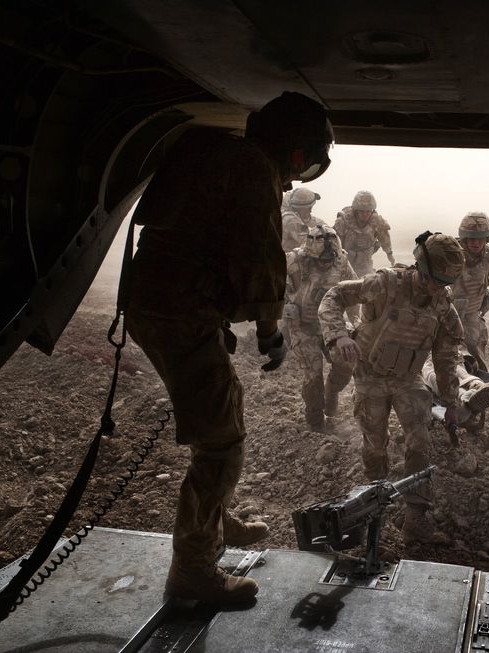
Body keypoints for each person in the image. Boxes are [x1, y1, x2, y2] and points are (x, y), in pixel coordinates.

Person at [125, 91, 334, 603]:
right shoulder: (254, 171)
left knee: (227, 405)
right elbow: (260, 259)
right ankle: (193, 572)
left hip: (165, 306)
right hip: (181, 315)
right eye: (301, 168)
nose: (294, 179)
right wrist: (270, 330)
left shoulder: (216, 153)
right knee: (221, 445)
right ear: (297, 154)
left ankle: (215, 521)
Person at [318, 231, 465, 544]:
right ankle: (376, 500)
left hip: (407, 380)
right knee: (375, 445)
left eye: (444, 283)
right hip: (370, 376)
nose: (437, 288)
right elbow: (334, 297)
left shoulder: (443, 308)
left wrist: (451, 403)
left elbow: (446, 359)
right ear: (420, 268)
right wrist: (339, 335)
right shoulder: (386, 283)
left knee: (421, 440)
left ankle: (416, 515)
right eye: (432, 279)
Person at [283, 225, 357, 430]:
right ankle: (315, 421)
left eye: (330, 260)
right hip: (303, 327)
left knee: (346, 363)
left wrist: (356, 320)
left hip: (331, 325)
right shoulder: (295, 260)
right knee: (313, 374)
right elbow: (272, 281)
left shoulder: (341, 261)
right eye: (322, 260)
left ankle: (331, 392)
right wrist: (286, 301)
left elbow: (354, 291)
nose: (327, 263)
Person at [451, 212, 489, 371]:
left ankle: (479, 386)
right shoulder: (451, 253)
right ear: (464, 238)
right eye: (471, 239)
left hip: (471, 313)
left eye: (480, 239)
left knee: (474, 351)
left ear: (487, 239)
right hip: (446, 311)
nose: (476, 243)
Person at [421, 357, 489, 429]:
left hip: (428, 358)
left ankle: (463, 396)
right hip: (455, 357)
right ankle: (477, 385)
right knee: (460, 371)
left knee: (433, 375)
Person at [333, 190, 395, 276]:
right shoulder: (343, 221)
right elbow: (334, 244)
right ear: (356, 210)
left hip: (365, 264)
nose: (365, 214)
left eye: (368, 211)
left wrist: (389, 254)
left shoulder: (376, 221)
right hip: (344, 265)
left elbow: (384, 238)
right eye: (362, 211)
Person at [281, 187, 326, 251]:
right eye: (308, 208)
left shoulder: (311, 220)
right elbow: (310, 244)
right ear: (298, 208)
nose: (310, 211)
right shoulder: (290, 220)